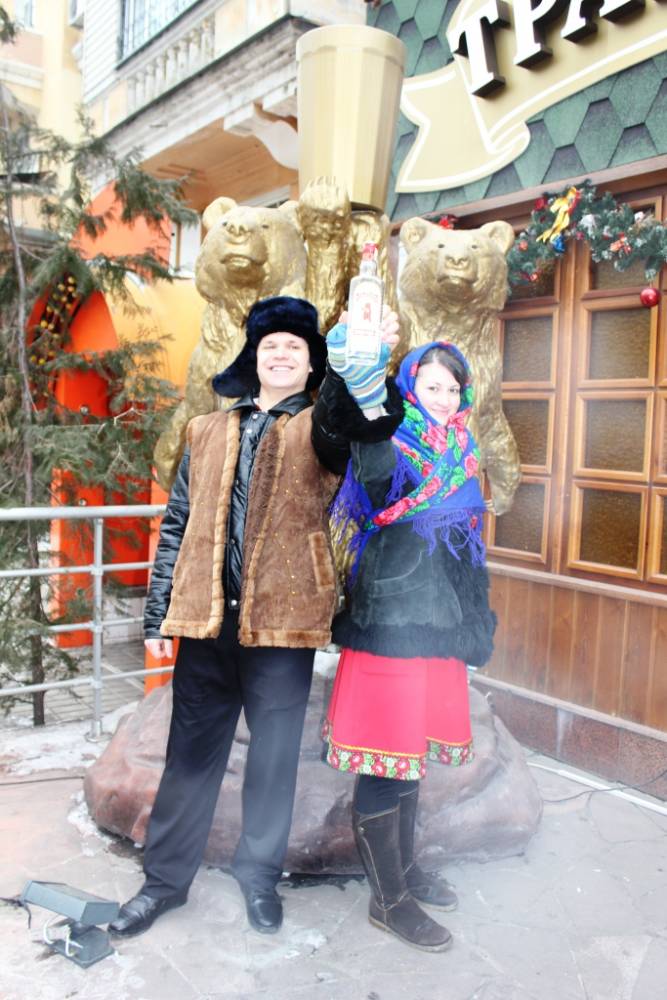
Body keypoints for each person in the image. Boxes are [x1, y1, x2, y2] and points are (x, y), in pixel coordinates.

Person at [109, 296, 399, 940]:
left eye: (296, 345)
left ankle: (260, 876)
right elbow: (177, 524)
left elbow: (356, 424)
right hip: (206, 625)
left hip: (283, 627)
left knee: (272, 762)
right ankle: (163, 883)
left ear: (311, 363)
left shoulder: (321, 426)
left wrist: (363, 358)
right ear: (253, 357)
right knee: (188, 760)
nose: (282, 353)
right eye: (271, 345)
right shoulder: (206, 430)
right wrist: (159, 615)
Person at [315, 330, 496, 952]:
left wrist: (473, 621)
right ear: (409, 388)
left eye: (451, 389)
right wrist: (366, 396)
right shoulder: (388, 441)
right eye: (431, 387)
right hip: (391, 623)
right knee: (385, 762)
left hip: (440, 627)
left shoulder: (462, 451)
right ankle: (387, 901)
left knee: (410, 757)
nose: (443, 399)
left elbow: (469, 549)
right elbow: (373, 487)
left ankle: (407, 871)